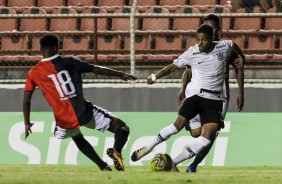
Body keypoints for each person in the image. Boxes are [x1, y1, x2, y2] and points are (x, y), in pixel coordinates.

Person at [131, 24, 245, 171]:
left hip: (215, 100)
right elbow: (172, 66)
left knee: (205, 139)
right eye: (199, 39)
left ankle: (173, 163)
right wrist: (155, 76)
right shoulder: (192, 52)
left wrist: (241, 58)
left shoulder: (224, 46)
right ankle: (148, 147)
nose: (200, 43)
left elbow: (234, 46)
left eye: (204, 40)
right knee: (176, 126)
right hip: (196, 96)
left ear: (212, 39)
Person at [23, 34, 137, 171]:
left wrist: (27, 122)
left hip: (63, 119)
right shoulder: (69, 62)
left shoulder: (33, 73)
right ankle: (116, 152)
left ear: (40, 49)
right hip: (83, 111)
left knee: (77, 138)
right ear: (56, 47)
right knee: (122, 128)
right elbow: (95, 69)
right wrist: (121, 74)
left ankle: (102, 166)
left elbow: (26, 101)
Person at [176, 14, 245, 172]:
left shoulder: (226, 47)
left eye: (213, 28)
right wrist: (182, 90)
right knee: (196, 133)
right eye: (208, 27)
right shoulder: (199, 47)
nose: (211, 31)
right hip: (198, 94)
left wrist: (241, 92)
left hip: (221, 97)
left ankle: (193, 165)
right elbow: (188, 70)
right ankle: (190, 126)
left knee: (211, 134)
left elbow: (239, 66)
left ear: (219, 29)